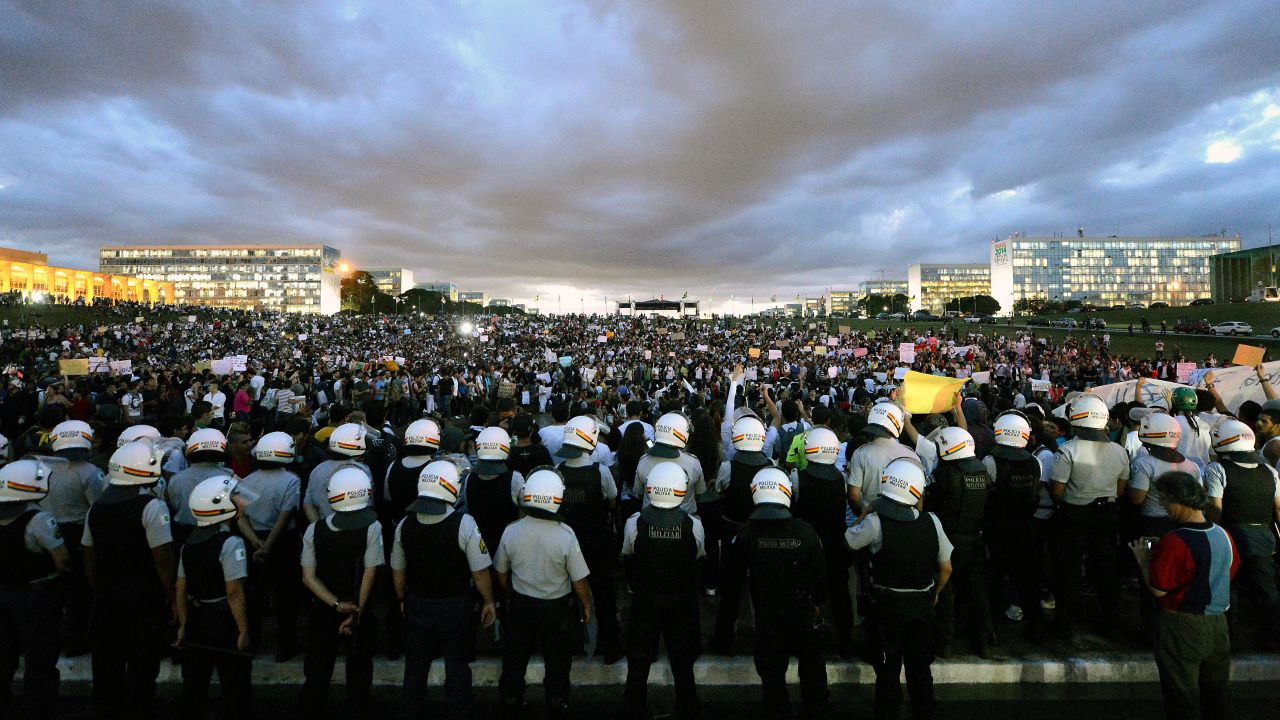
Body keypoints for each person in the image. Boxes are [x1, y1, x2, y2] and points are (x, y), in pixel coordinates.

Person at [846, 458, 953, 720]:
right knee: (920, 669)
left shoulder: (875, 524)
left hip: (887, 607)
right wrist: (935, 592)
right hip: (921, 606)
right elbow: (946, 567)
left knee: (888, 670)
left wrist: (865, 512)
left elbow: (849, 542)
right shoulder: (932, 522)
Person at [1130, 471, 1239, 720]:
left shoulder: (1175, 540)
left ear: (1177, 500)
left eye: (1164, 499)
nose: (1163, 505)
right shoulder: (1224, 535)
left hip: (1181, 625)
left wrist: (1144, 560)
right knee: (1217, 693)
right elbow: (1226, 572)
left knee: (1183, 696)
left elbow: (1159, 589)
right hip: (1218, 624)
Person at [393, 459, 497, 720]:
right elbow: (480, 571)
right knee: (457, 664)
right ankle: (459, 709)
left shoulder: (404, 525)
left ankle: (410, 709)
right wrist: (488, 601)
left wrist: (401, 597)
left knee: (415, 666)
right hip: (455, 605)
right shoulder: (464, 524)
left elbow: (397, 569)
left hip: (418, 602)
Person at [83, 439, 177, 720]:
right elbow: (163, 558)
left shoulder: (96, 508)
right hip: (142, 596)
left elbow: (89, 555)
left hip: (107, 594)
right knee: (142, 661)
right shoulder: (152, 507)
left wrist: (98, 587)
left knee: (107, 661)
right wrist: (171, 595)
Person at [726, 467, 827, 719]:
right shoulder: (806, 531)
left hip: (767, 614)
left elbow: (732, 578)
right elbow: (820, 573)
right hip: (803, 611)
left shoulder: (746, 534)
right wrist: (819, 602)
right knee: (813, 672)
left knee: (772, 677)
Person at [494, 467, 593, 720]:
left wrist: (511, 594)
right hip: (556, 608)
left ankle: (510, 699)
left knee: (515, 657)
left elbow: (501, 573)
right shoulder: (565, 535)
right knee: (558, 660)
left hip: (521, 605)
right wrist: (587, 604)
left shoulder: (511, 530)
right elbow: (578, 578)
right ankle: (557, 702)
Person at [620, 461, 705, 720]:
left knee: (639, 660)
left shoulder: (634, 523)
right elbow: (698, 557)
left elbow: (627, 555)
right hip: (681, 600)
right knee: (682, 660)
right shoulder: (694, 525)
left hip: (646, 600)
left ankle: (634, 709)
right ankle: (687, 708)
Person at [299, 466, 384, 718]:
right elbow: (370, 572)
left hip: (323, 608)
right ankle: (359, 705)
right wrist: (354, 608)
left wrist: (335, 604)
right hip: (358, 607)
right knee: (358, 663)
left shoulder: (315, 529)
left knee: (317, 665)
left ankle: (313, 706)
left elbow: (308, 577)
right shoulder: (373, 527)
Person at [1049, 393, 1129, 641]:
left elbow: (1057, 491)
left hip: (1074, 513)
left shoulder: (1067, 450)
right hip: (1106, 513)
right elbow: (1121, 488)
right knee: (1105, 569)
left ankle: (1063, 625)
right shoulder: (1119, 451)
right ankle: (1111, 622)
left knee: (1069, 570)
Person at [175, 475, 255, 718]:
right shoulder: (231, 543)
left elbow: (181, 586)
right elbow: (233, 592)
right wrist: (243, 630)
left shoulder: (189, 542)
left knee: (195, 685)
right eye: (235, 499)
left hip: (197, 618)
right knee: (235, 686)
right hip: (224, 622)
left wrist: (183, 625)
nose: (240, 503)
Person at [0, 458, 69, 719]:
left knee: (4, 653)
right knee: (40, 657)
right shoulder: (39, 519)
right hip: (35, 596)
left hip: (4, 593)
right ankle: (38, 707)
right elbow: (61, 560)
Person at [1203, 420, 1280, 648]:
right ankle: (1272, 636)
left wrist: (1212, 535)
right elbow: (1277, 509)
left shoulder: (1217, 469)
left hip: (1231, 535)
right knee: (1266, 589)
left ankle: (1229, 638)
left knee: (1228, 587)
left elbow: (1215, 508)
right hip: (1263, 536)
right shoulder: (1269, 471)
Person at [553, 415, 624, 662]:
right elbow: (612, 501)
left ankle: (571, 645)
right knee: (604, 596)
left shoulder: (558, 471)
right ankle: (610, 646)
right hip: (596, 541)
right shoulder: (601, 471)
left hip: (566, 542)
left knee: (567, 596)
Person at [925, 426, 993, 657]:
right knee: (977, 591)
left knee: (945, 592)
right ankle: (983, 640)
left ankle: (944, 643)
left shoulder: (945, 475)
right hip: (975, 537)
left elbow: (931, 505)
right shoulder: (983, 471)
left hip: (949, 538)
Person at [41, 419, 107, 656]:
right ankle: (74, 638)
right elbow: (98, 509)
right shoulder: (90, 473)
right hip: (78, 533)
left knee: (54, 589)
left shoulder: (43, 469)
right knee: (79, 590)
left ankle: (53, 636)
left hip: (47, 532)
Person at [710, 413, 775, 653]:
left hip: (733, 532)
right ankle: (767, 640)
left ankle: (724, 640)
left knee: (731, 589)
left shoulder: (728, 466)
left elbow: (719, 488)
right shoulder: (770, 466)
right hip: (762, 531)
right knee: (765, 588)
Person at [790, 426, 855, 657]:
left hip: (806, 544)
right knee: (839, 593)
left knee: (803, 592)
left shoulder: (797, 477)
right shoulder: (843, 479)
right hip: (835, 543)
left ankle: (802, 640)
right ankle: (845, 641)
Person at [239, 431, 303, 660]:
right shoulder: (291, 481)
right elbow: (284, 517)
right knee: (286, 597)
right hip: (282, 542)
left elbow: (240, 516)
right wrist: (268, 546)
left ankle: (252, 641)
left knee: (254, 594)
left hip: (253, 541)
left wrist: (256, 542)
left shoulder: (247, 481)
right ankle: (286, 646)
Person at [982, 411, 1045, 641]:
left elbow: (987, 494)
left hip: (998, 528)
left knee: (996, 579)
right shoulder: (1035, 462)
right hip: (1026, 527)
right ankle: (1035, 627)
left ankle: (994, 631)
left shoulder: (990, 461)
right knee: (1028, 580)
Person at [464, 426, 526, 556]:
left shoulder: (470, 478)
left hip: (480, 545)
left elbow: (469, 509)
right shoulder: (515, 478)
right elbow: (524, 513)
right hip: (509, 545)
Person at [632, 412, 708, 518]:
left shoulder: (643, 461)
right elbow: (699, 494)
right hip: (686, 520)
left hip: (649, 520)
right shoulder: (693, 462)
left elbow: (640, 493)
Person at [164, 427, 230, 548]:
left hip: (185, 537)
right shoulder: (228, 477)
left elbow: (174, 505)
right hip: (218, 537)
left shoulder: (176, 479)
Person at [303, 422, 374, 523]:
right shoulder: (363, 470)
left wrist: (318, 527)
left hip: (325, 529)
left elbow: (308, 504)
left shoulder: (317, 470)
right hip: (356, 530)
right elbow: (368, 505)